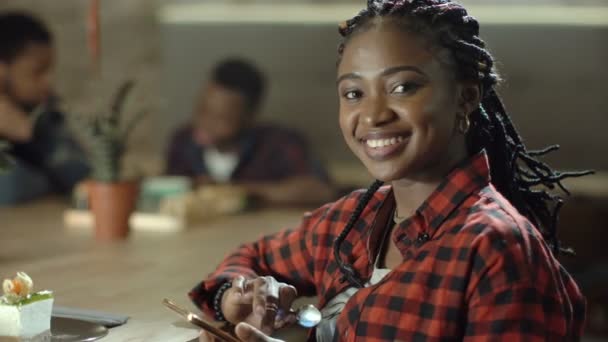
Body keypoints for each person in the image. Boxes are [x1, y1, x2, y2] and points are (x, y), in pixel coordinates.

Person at [192, 1, 590, 341]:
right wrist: (237, 295)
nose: (374, 115)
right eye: (353, 93)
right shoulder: (352, 221)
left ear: (466, 97)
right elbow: (253, 255)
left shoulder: (496, 249)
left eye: (402, 87)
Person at [166, 58, 335, 207]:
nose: (205, 124)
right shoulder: (183, 140)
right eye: (202, 110)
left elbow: (320, 190)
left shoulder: (280, 143)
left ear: (249, 117)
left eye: (221, 118)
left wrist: (240, 191)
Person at [0, 12, 89, 205]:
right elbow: (9, 189)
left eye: (50, 70)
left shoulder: (43, 111)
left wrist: (34, 135)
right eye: (38, 71)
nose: (48, 82)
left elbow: (82, 174)